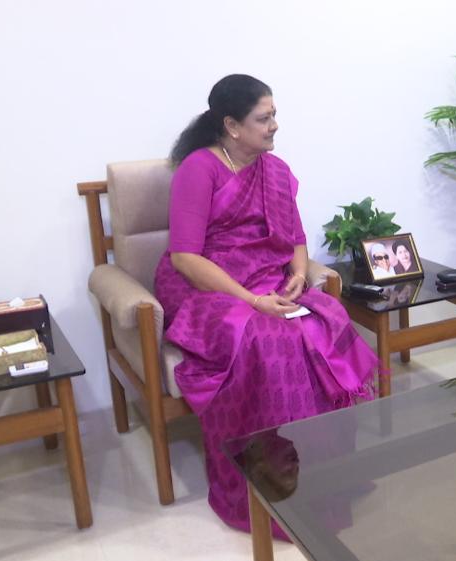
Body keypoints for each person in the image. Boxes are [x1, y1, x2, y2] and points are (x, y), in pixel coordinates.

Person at [154, 74, 378, 538]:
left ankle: (325, 476)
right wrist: (252, 300)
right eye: (265, 117)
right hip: (207, 287)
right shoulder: (200, 169)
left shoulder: (274, 171)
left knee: (327, 320)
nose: (275, 125)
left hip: (269, 279)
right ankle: (266, 484)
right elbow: (185, 257)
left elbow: (294, 236)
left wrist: (297, 274)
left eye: (274, 114)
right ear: (233, 126)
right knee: (265, 336)